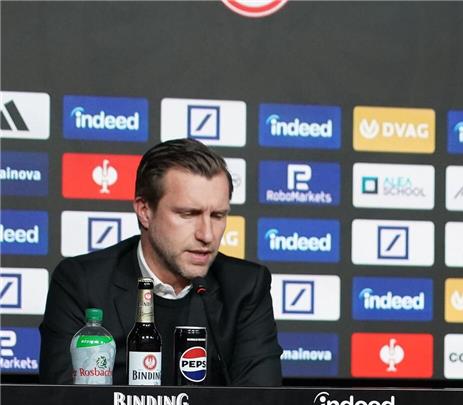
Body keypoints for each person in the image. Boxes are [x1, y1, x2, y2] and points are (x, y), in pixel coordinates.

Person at [40, 138, 282, 386]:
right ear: (145, 211)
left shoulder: (245, 287)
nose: (207, 235)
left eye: (218, 216)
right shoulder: (82, 283)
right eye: (188, 214)